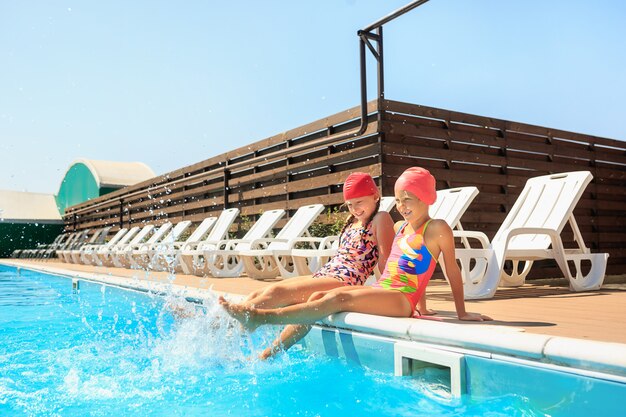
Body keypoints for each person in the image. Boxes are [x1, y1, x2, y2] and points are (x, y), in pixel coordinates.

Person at [220, 167, 492, 339]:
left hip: (401, 298)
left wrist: (462, 312)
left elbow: (450, 270)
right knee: (318, 297)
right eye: (398, 200)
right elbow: (407, 266)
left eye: (408, 198)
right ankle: (269, 354)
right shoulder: (400, 227)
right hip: (388, 288)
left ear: (426, 198)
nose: (402, 206)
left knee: (337, 296)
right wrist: (423, 306)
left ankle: (262, 318)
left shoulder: (438, 228)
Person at [241, 172, 395, 359]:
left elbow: (386, 260)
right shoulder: (352, 222)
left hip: (345, 280)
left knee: (278, 293)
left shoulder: (381, 218)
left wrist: (386, 294)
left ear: (375, 196)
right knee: (262, 293)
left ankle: (241, 325)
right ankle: (246, 345)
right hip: (327, 274)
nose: (355, 209)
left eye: (359, 202)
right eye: (350, 204)